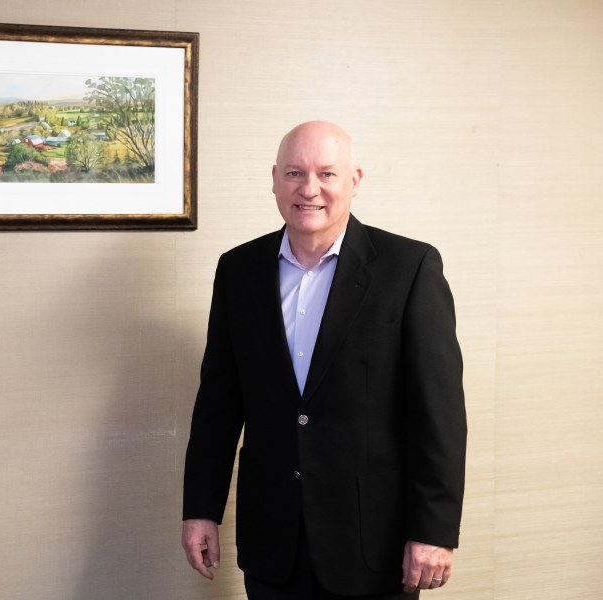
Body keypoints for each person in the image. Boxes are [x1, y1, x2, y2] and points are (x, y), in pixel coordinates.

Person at [181, 121, 467, 599]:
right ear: (274, 178)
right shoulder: (238, 270)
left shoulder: (409, 268)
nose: (309, 189)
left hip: (373, 544)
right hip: (273, 542)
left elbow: (439, 415)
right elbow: (218, 405)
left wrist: (434, 530)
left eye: (326, 174)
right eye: (294, 173)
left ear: (354, 180)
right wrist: (201, 509)